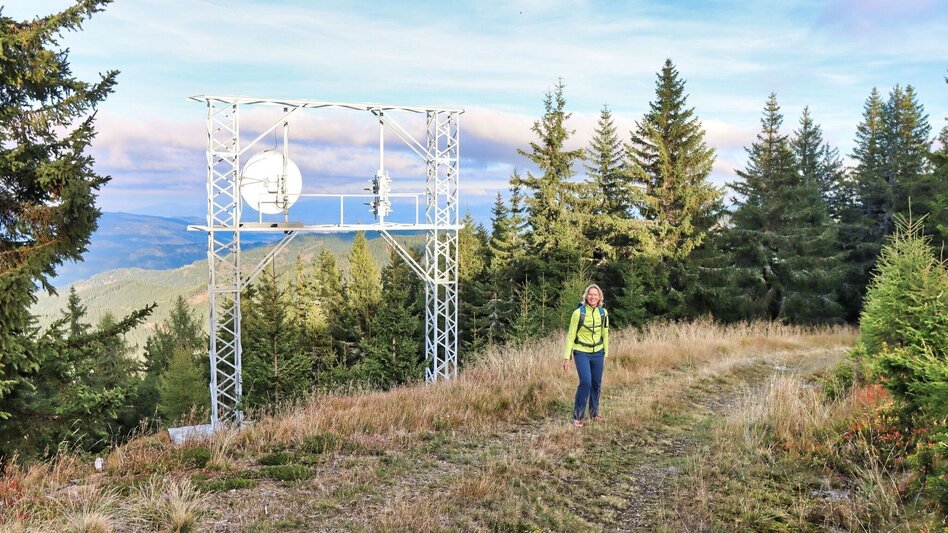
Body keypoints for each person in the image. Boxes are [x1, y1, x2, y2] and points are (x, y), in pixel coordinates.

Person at [562, 284, 609, 427]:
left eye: (595, 294)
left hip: (598, 353)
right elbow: (571, 336)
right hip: (581, 352)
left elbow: (605, 333)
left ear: (599, 297)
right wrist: (567, 357)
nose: (593, 297)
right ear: (586, 296)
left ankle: (594, 414)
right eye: (590, 294)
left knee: (596, 384)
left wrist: (605, 353)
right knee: (586, 382)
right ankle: (578, 416)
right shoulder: (578, 313)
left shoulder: (603, 313)